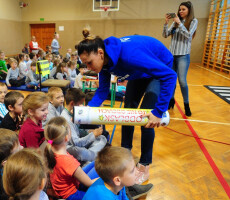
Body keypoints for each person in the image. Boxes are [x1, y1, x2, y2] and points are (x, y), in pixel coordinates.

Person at [76, 29, 177, 184]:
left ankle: (144, 164)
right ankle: (125, 153)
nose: (88, 67)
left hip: (159, 67)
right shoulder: (104, 64)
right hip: (139, 72)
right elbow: (103, 90)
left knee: (147, 120)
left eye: (89, 62)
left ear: (101, 53)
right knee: (127, 111)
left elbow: (170, 75)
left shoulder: (130, 55)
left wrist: (159, 111)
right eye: (85, 64)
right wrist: (87, 111)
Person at [44, 117, 99, 200]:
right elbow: (89, 183)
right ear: (67, 137)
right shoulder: (69, 162)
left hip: (66, 187)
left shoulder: (50, 151)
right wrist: (104, 178)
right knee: (104, 173)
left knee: (97, 163)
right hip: (73, 195)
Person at [163, 1, 198, 116]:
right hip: (171, 55)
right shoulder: (176, 22)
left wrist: (180, 23)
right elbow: (165, 35)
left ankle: (186, 104)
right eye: (180, 9)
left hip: (183, 56)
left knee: (182, 81)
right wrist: (166, 23)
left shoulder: (193, 21)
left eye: (183, 9)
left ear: (189, 10)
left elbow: (188, 36)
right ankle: (171, 100)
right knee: (172, 80)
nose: (180, 11)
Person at [61, 88, 107, 162]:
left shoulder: (72, 114)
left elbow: (78, 131)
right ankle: (89, 159)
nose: (82, 106)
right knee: (81, 151)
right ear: (72, 104)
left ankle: (90, 156)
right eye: (80, 104)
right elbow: (76, 143)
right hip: (70, 147)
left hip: (79, 143)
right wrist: (93, 135)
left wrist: (88, 132)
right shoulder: (66, 119)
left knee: (102, 138)